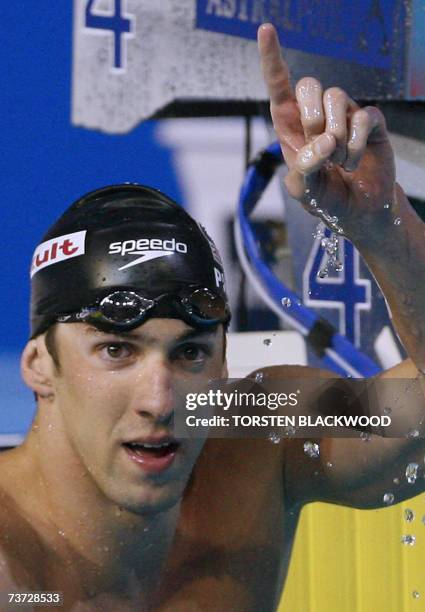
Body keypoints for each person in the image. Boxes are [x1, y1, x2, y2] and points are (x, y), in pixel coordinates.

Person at [1, 22, 425, 611]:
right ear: (39, 366)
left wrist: (382, 224)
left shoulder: (253, 435)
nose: (161, 399)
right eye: (117, 350)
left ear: (224, 363)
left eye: (190, 353)